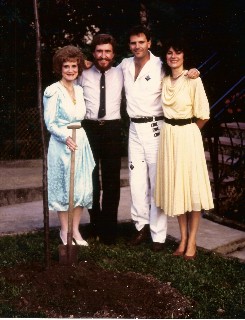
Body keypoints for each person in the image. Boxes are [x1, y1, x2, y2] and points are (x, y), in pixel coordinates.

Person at [119, 25, 200, 252]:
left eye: (141, 42)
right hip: (134, 128)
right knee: (136, 181)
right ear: (129, 45)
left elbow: (180, 74)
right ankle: (140, 226)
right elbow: (104, 71)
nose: (137, 46)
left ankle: (158, 235)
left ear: (149, 43)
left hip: (156, 128)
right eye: (133, 43)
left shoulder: (161, 65)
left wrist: (194, 71)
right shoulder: (124, 65)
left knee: (157, 182)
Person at [155, 38, 214, 259]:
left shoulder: (193, 80)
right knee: (177, 187)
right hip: (168, 136)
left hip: (188, 136)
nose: (173, 56)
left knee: (192, 188)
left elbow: (204, 114)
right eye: (169, 52)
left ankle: (193, 241)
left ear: (184, 56)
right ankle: (182, 238)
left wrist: (189, 131)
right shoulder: (164, 80)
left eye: (177, 52)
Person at [43, 45, 95, 246]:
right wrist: (65, 137)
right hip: (62, 142)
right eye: (67, 66)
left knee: (81, 187)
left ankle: (76, 230)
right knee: (64, 187)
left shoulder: (80, 90)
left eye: (74, 66)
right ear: (60, 68)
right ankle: (64, 231)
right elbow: (50, 123)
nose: (71, 70)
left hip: (80, 140)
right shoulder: (53, 91)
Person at [77, 34, 124, 245]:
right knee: (91, 179)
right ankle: (95, 225)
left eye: (107, 51)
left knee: (112, 182)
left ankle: (110, 231)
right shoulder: (82, 73)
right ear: (93, 52)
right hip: (90, 128)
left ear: (113, 54)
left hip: (113, 129)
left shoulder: (122, 72)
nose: (103, 56)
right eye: (99, 51)